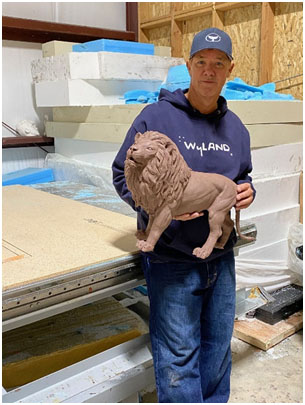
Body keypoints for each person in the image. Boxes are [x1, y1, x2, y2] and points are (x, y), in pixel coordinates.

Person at [112, 27, 255, 403]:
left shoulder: (237, 128)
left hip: (220, 258)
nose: (209, 71)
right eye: (201, 62)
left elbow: (242, 178)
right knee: (178, 357)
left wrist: (246, 191)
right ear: (188, 66)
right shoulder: (155, 118)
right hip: (171, 259)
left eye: (218, 64)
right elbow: (121, 173)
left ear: (230, 70)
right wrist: (157, 207)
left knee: (217, 347)